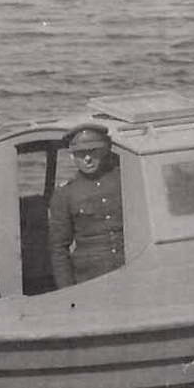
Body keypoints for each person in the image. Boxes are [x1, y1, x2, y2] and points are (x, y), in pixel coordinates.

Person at [47, 123, 126, 288]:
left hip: (130, 267)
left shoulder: (123, 179)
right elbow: (59, 248)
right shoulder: (65, 194)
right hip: (91, 278)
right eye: (80, 153)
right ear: (72, 156)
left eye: (92, 151)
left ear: (104, 151)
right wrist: (68, 292)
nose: (87, 158)